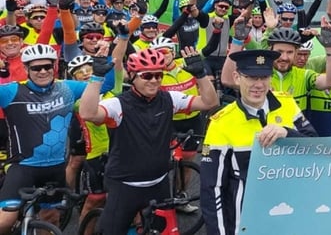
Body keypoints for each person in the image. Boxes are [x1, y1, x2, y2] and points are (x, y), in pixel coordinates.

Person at [78, 48, 220, 234]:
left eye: (158, 75)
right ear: (132, 77)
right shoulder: (118, 104)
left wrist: (200, 74)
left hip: (158, 183)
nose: (154, 80)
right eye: (147, 76)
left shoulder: (170, 99)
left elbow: (210, 103)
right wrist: (96, 77)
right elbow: (87, 113)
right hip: (125, 186)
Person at [200, 49, 317, 235]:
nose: (258, 84)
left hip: (289, 216)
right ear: (237, 78)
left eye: (264, 77)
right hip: (246, 224)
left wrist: (287, 133)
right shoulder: (220, 122)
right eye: (251, 77)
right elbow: (211, 189)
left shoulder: (287, 104)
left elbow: (315, 148)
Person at [0, 44, 114, 232]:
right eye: (36, 68)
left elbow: (106, 86)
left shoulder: (67, 88)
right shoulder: (12, 92)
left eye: (48, 66)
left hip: (55, 168)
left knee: (52, 219)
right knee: (5, 220)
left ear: (54, 66)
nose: (43, 71)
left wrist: (100, 70)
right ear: (26, 69)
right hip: (23, 167)